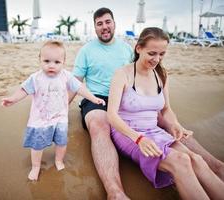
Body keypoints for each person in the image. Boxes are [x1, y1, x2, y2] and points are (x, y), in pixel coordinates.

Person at [71, 7, 224, 199]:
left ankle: (214, 166)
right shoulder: (88, 51)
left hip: (130, 97)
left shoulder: (129, 51)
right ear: (95, 27)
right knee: (100, 125)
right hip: (99, 99)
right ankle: (115, 191)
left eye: (107, 22)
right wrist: (60, 110)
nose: (104, 26)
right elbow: (74, 83)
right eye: (99, 23)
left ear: (114, 22)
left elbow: (155, 92)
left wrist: (174, 124)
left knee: (169, 126)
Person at [107, 27, 224, 200]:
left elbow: (166, 109)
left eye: (162, 54)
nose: (157, 59)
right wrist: (138, 138)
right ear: (139, 48)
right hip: (128, 133)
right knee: (181, 162)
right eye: (152, 53)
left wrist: (175, 124)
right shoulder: (122, 74)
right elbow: (111, 115)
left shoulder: (161, 74)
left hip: (153, 131)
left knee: (196, 159)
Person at [1, 41, 105, 181]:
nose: (51, 65)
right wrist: (13, 99)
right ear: (40, 59)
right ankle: (36, 166)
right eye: (46, 61)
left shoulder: (66, 76)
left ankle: (58, 160)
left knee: (61, 142)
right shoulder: (36, 78)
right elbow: (24, 90)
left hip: (60, 117)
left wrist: (93, 98)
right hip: (40, 119)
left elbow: (80, 88)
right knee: (37, 145)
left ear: (63, 62)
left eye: (57, 62)